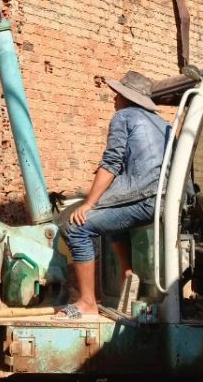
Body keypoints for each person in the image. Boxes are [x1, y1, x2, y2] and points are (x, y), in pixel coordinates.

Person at [58, 70, 170, 317]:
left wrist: (88, 203)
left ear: (127, 97)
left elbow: (111, 163)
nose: (114, 98)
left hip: (145, 199)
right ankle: (128, 274)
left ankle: (87, 302)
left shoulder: (124, 116)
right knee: (110, 215)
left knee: (76, 227)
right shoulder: (164, 124)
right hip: (166, 201)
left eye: (117, 94)